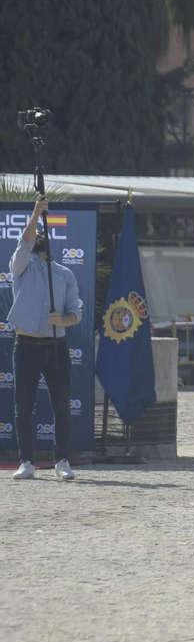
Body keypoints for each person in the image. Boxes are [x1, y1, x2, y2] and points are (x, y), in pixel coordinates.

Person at [8, 196, 83, 481]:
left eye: (41, 233)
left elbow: (76, 310)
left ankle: (62, 460)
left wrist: (63, 320)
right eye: (35, 233)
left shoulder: (64, 274)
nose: (37, 236)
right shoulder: (21, 267)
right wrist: (36, 213)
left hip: (55, 347)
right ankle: (26, 461)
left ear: (49, 243)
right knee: (23, 406)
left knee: (62, 406)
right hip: (25, 346)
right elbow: (24, 244)